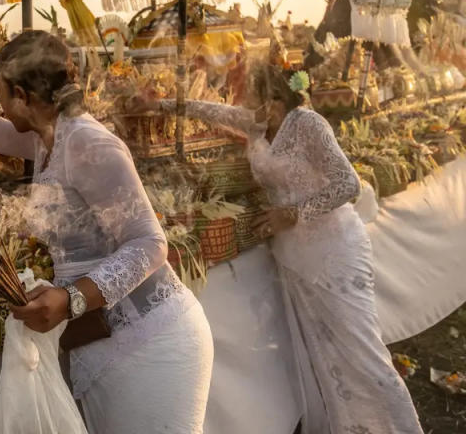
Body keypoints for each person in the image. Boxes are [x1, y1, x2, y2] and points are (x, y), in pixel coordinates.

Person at [0, 31, 213, 434]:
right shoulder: (47, 136)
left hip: (152, 342)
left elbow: (150, 243)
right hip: (103, 340)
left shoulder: (87, 142)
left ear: (21, 95)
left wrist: (71, 298)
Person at [137, 64, 422, 434]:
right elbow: (212, 110)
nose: (241, 103)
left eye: (249, 96)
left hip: (334, 252)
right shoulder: (257, 124)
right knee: (325, 354)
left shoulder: (307, 123)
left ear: (272, 101)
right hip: (294, 258)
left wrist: (293, 213)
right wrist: (160, 106)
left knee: (361, 352)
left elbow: (347, 183)